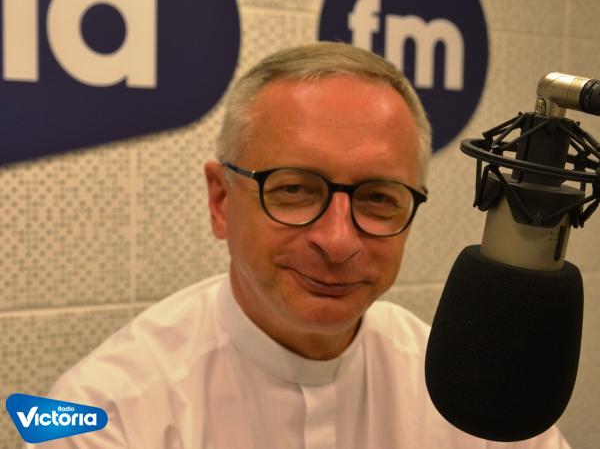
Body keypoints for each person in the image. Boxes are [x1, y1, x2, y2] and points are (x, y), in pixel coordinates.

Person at [31, 42, 570, 448]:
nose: (338, 241)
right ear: (220, 200)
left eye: (378, 198)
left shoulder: (474, 390)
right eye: (293, 189)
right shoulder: (105, 416)